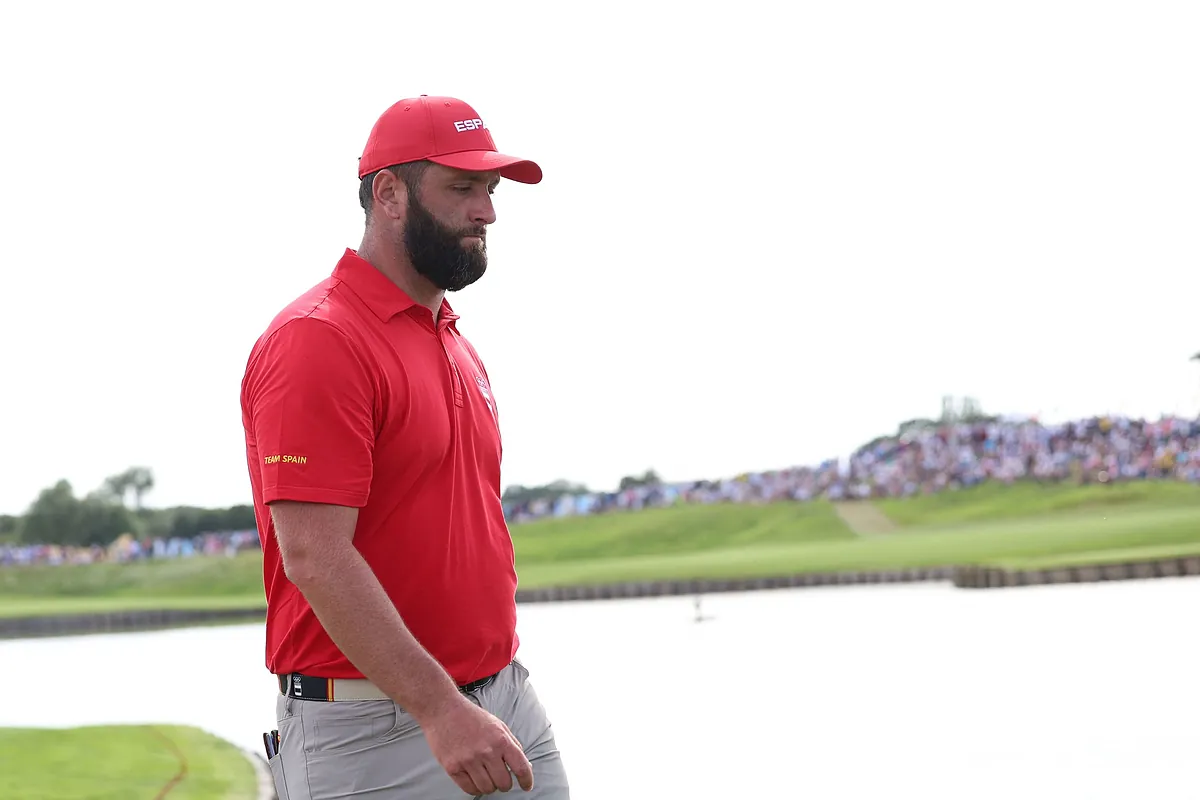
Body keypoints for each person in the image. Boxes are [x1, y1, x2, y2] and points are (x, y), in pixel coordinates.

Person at [240, 95, 570, 799]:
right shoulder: (318, 340)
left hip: (501, 700)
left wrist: (480, 697)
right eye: (462, 188)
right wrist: (441, 709)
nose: (487, 211)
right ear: (388, 194)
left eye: (490, 189)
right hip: (377, 731)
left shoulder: (452, 338)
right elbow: (315, 558)